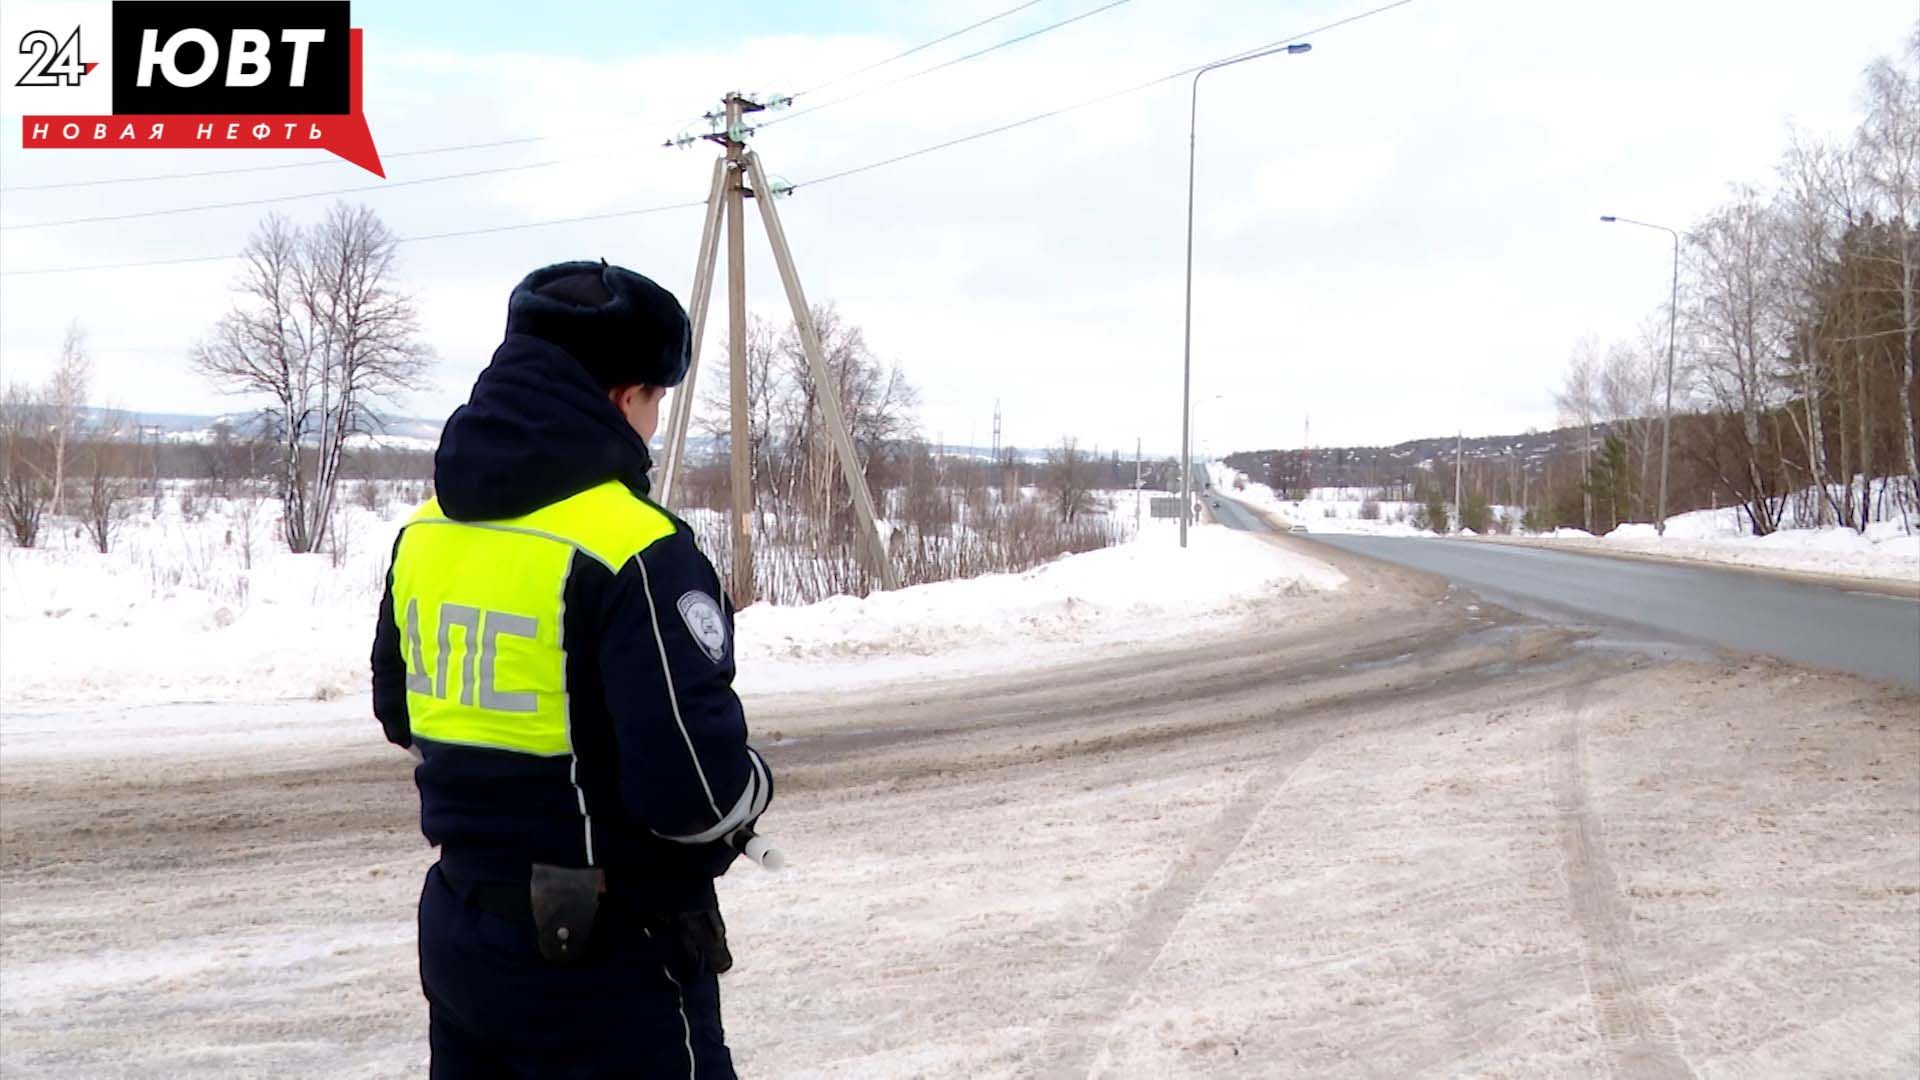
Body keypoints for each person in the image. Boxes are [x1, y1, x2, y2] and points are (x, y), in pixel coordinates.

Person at [371, 260, 771, 1078]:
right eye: (656, 399)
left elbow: (400, 709)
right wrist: (754, 784)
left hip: (462, 935)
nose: (654, 420)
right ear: (625, 397)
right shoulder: (634, 547)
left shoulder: (428, 531)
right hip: (606, 960)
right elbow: (694, 795)